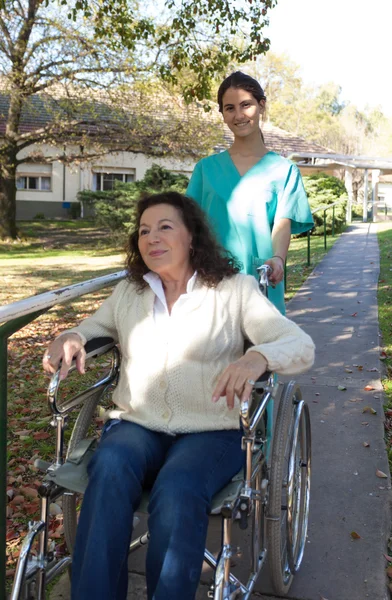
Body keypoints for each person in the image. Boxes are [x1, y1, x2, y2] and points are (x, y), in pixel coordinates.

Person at [42, 191, 315, 600]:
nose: (151, 237)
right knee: (110, 467)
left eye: (165, 227)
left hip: (210, 431)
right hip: (138, 424)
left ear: (192, 237)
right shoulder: (130, 293)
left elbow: (299, 344)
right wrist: (71, 336)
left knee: (179, 487)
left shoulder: (234, 290)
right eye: (144, 231)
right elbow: (91, 327)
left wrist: (257, 356)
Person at [186, 70, 314, 316]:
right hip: (212, 281)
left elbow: (282, 224)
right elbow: (188, 227)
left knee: (261, 351)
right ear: (222, 114)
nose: (238, 115)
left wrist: (278, 258)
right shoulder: (205, 169)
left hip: (261, 279)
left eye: (246, 105)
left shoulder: (284, 170)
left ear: (261, 106)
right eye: (229, 108)